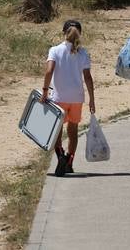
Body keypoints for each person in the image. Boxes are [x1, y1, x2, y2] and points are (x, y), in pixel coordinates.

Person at [42, 19, 95, 176]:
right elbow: (88, 77)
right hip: (77, 98)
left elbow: (49, 71)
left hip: (59, 98)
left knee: (56, 132)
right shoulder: (83, 53)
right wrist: (92, 98)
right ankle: (69, 162)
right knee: (73, 131)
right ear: (80, 33)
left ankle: (60, 157)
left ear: (63, 32)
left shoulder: (55, 50)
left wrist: (45, 91)